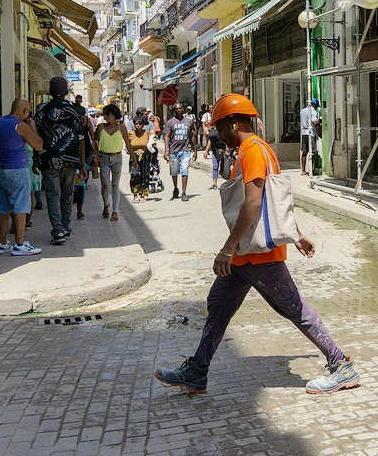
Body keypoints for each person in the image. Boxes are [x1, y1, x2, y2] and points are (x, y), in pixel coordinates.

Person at [154, 93, 362, 395]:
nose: (218, 134)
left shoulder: (252, 151)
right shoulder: (257, 150)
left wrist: (227, 248)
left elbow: (253, 204)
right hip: (246, 256)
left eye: (220, 127)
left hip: (259, 255)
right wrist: (297, 234)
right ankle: (197, 371)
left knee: (296, 310)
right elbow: (275, 202)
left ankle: (341, 365)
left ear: (234, 123)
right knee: (219, 304)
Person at [35, 77, 87, 245]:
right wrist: (83, 162)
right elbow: (81, 139)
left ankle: (58, 231)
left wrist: (36, 158)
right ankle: (65, 228)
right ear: (66, 92)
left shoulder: (42, 109)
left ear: (50, 92)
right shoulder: (75, 111)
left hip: (48, 159)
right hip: (70, 159)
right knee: (66, 195)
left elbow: (36, 134)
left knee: (52, 196)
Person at [0, 98, 44, 256]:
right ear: (24, 111)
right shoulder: (20, 126)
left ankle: (1, 244)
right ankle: (20, 244)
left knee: (3, 208)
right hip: (17, 170)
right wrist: (33, 128)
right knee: (21, 207)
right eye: (28, 111)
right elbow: (39, 145)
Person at [96, 104, 133, 221]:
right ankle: (106, 204)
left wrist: (134, 158)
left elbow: (127, 143)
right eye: (105, 114)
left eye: (108, 114)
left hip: (117, 158)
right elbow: (95, 142)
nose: (106, 117)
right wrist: (95, 156)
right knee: (105, 184)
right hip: (103, 158)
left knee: (115, 185)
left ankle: (115, 210)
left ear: (114, 115)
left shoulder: (122, 128)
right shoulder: (100, 127)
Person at [164, 104, 197, 200]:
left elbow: (192, 136)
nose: (178, 110)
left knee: (184, 170)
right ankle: (175, 188)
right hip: (174, 151)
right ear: (174, 110)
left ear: (183, 109)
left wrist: (195, 150)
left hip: (185, 150)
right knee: (174, 172)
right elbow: (167, 136)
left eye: (180, 108)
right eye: (176, 109)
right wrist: (166, 150)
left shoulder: (188, 121)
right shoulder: (170, 122)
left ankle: (184, 192)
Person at [128, 117, 153, 203]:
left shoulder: (147, 134)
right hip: (134, 156)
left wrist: (152, 143)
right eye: (136, 124)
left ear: (143, 125)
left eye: (140, 124)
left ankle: (143, 194)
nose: (138, 126)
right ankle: (135, 194)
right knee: (134, 174)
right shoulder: (131, 134)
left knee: (144, 174)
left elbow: (153, 142)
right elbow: (127, 144)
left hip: (145, 156)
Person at [299, 98, 321, 175]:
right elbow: (314, 123)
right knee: (313, 151)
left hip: (304, 133)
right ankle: (312, 170)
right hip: (311, 133)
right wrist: (320, 120)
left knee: (304, 152)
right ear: (314, 105)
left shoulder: (302, 111)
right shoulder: (313, 111)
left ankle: (303, 170)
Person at [204, 117, 226, 190]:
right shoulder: (212, 130)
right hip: (214, 150)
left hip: (223, 150)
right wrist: (206, 150)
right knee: (215, 167)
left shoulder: (223, 129)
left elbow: (226, 139)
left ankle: (226, 184)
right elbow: (210, 140)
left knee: (224, 168)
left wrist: (227, 150)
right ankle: (214, 184)